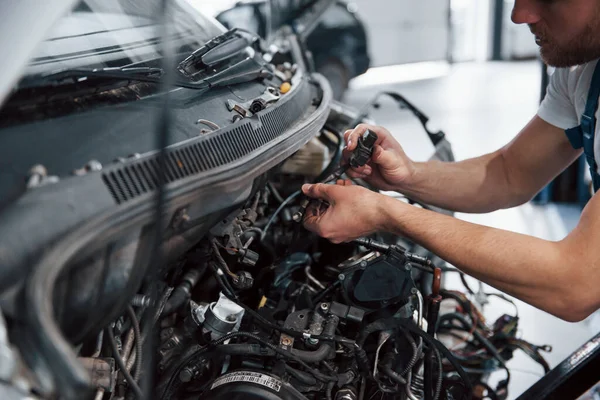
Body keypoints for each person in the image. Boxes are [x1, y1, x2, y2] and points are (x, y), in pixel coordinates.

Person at [301, 0, 600, 323]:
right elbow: (509, 174)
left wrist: (385, 213)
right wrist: (408, 176)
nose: (519, 16)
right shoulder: (582, 72)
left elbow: (575, 282)